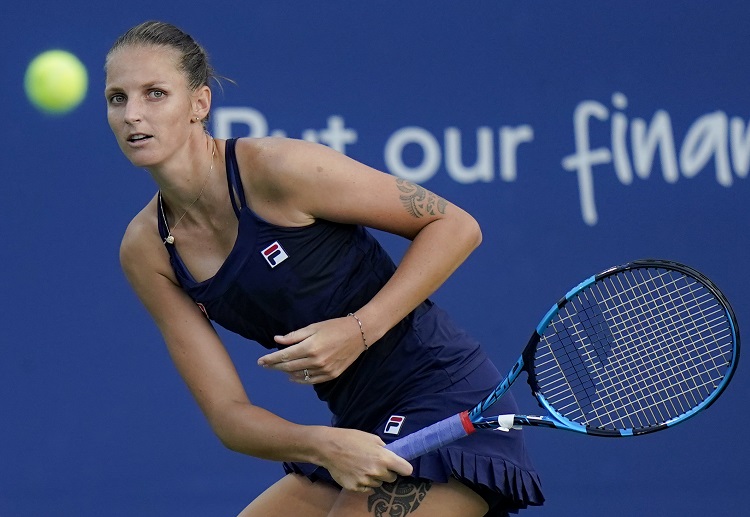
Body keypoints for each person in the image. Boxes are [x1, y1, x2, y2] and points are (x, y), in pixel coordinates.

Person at [105, 20, 544, 517]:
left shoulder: (278, 169)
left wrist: (360, 329)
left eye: (155, 93)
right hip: (356, 427)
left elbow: (456, 226)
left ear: (199, 104)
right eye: (117, 98)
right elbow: (229, 415)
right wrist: (322, 445)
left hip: (445, 399)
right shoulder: (146, 251)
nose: (133, 115)